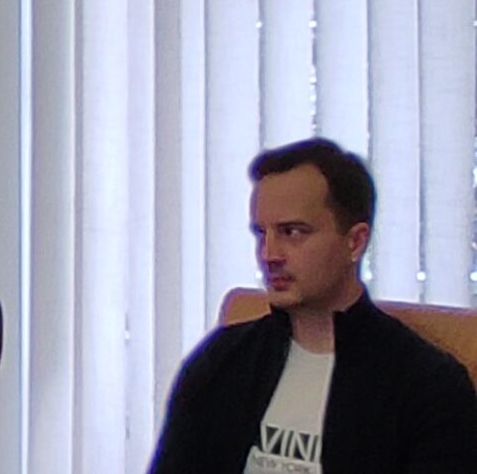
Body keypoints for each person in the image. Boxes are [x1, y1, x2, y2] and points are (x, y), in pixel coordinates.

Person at [149, 137, 477, 473]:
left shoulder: (427, 387)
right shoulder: (223, 361)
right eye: (261, 233)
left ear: (355, 242)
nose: (269, 255)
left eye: (292, 232)